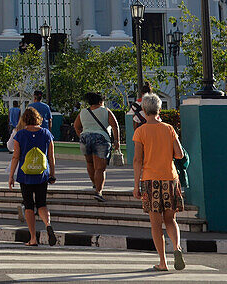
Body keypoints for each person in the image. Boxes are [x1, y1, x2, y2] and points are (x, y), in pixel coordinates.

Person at [132, 92, 186, 272]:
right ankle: (177, 248)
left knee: (156, 224)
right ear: (159, 109)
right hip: (170, 178)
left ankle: (163, 262)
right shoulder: (169, 128)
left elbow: (137, 160)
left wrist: (136, 185)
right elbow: (179, 154)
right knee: (170, 219)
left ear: (143, 110)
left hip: (150, 180)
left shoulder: (140, 132)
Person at [8, 106, 57, 246]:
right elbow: (51, 157)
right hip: (42, 174)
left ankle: (33, 239)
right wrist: (52, 174)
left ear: (24, 119)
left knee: (29, 205)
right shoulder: (46, 133)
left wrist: (11, 176)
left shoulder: (20, 134)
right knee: (42, 204)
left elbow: (15, 157)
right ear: (38, 118)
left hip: (25, 175)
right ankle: (48, 224)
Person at [73, 91, 122, 201]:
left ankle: (95, 184)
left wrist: (82, 135)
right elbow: (115, 125)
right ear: (101, 101)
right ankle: (98, 192)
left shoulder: (83, 112)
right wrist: (116, 141)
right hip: (101, 139)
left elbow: (76, 127)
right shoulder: (105, 111)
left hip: (85, 138)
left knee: (90, 163)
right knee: (100, 168)